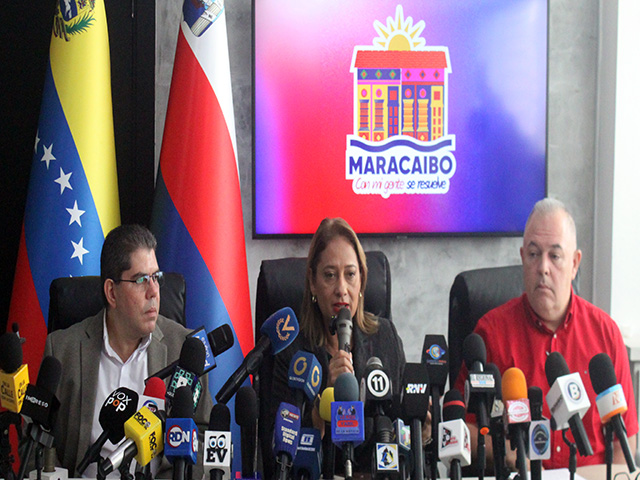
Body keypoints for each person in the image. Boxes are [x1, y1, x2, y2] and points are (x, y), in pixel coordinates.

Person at [455, 198, 638, 470]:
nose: (542, 267)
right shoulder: (491, 332)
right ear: (522, 258)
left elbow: (625, 444)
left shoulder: (605, 333)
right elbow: (462, 428)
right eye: (533, 254)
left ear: (574, 263)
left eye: (554, 256)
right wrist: (507, 452)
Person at [43, 224, 213, 477]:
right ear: (112, 292)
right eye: (141, 280)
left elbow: (203, 436)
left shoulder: (186, 350)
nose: (154, 292)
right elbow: (37, 439)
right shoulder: (62, 349)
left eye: (156, 277)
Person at [265, 217, 407, 476]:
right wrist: (324, 402)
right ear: (313, 282)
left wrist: (424, 434)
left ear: (362, 280)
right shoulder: (293, 349)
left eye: (350, 274)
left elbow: (400, 426)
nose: (342, 289)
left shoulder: (385, 338)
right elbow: (276, 449)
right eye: (330, 275)